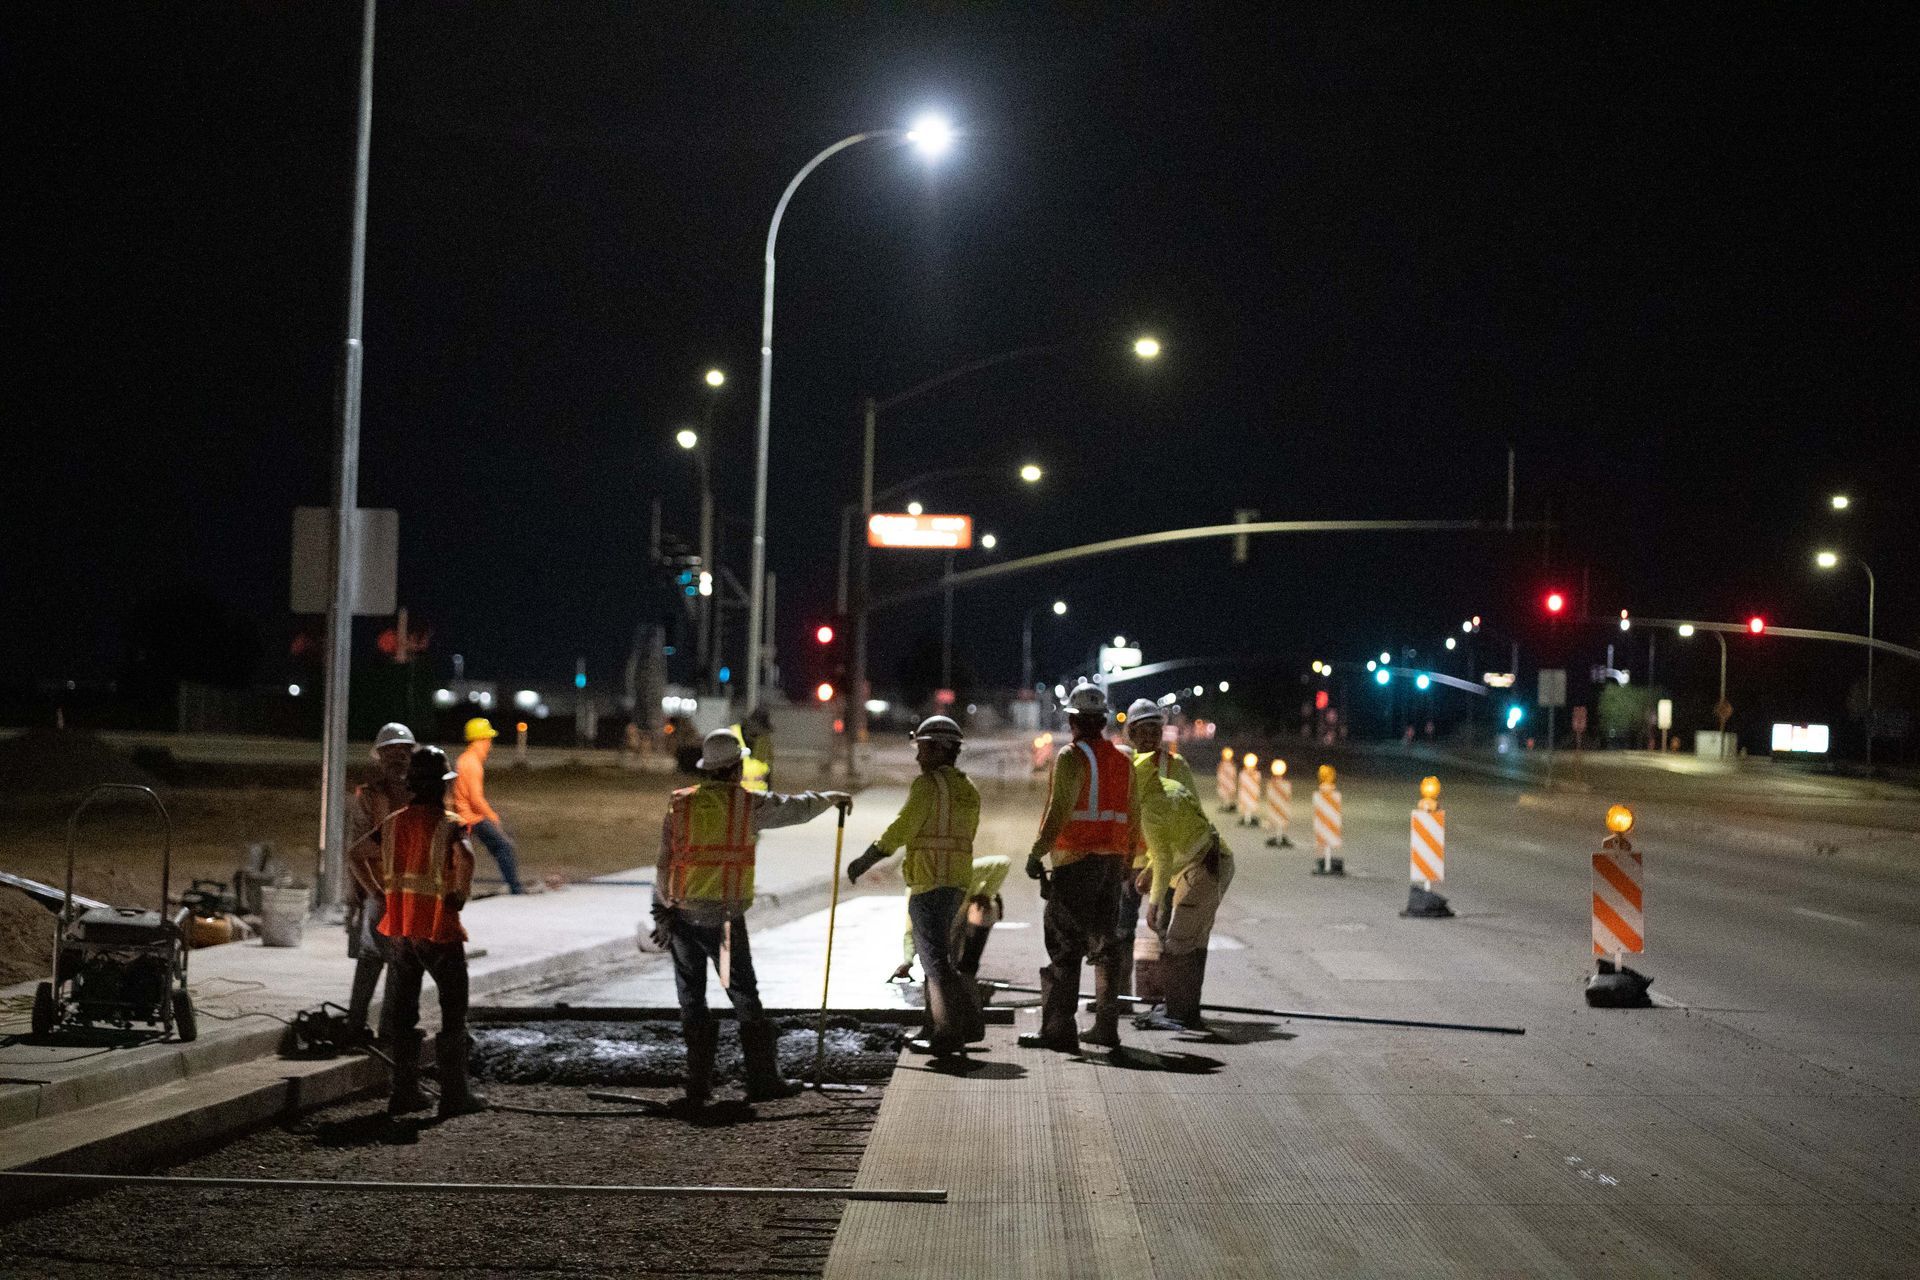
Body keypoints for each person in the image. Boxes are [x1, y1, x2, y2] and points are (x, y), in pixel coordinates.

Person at [650, 729, 852, 1106]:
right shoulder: (746, 805)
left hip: (681, 922)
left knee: (691, 1000)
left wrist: (661, 911)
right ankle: (761, 1079)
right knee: (743, 996)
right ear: (736, 768)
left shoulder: (680, 806)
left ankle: (697, 1086)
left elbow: (665, 861)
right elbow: (794, 808)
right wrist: (830, 799)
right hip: (722, 923)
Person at [348, 745, 484, 1118]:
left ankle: (404, 1093)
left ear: (410, 785)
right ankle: (455, 1095)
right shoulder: (448, 822)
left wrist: (377, 892)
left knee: (403, 1017)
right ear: (442, 786)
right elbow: (468, 858)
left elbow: (355, 853)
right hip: (439, 930)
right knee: (453, 1013)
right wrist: (460, 893)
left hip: (403, 931)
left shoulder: (393, 822)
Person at [847, 716, 983, 1056]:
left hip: (928, 883)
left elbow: (901, 828)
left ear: (940, 749)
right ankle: (935, 1024)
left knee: (935, 962)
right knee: (936, 957)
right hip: (955, 883)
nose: (917, 757)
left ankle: (951, 1032)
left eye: (922, 748)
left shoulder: (927, 786)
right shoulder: (968, 788)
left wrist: (866, 859)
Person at [1021, 682, 1139, 1052]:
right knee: (1106, 944)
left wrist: (1036, 851)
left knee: (1064, 946)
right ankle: (1106, 1027)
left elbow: (1059, 811)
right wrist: (1128, 859)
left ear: (1073, 720)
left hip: (1075, 863)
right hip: (1111, 863)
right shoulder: (1123, 760)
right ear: (1102, 721)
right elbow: (1134, 814)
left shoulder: (1071, 757)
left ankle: (1059, 1030)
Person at [1130, 733, 1235, 1033]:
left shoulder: (1150, 809)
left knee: (1177, 942)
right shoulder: (1171, 788)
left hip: (1202, 870)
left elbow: (1163, 858)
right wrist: (1151, 869)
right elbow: (1181, 837)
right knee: (1194, 940)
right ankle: (1183, 1007)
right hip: (1214, 861)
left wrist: (1152, 904)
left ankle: (1177, 1014)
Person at [1116, 699, 1197, 1003]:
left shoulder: (1176, 768)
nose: (1150, 736)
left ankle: (1162, 1001)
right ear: (1131, 734)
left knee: (1164, 930)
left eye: (1155, 729)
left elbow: (1190, 812)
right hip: (1126, 863)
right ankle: (1118, 997)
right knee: (1120, 931)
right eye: (1143, 730)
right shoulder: (1122, 767)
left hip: (1163, 865)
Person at [342, 721, 415, 1045]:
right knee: (392, 959)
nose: (398, 756)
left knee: (379, 958)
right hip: (379, 889)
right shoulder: (370, 797)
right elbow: (358, 846)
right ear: (380, 757)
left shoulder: (418, 795)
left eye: (404, 750)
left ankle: (357, 1026)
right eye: (392, 751)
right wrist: (366, 894)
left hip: (407, 889)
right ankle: (385, 1030)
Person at [452, 718, 524, 894]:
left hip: (465, 815)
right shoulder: (472, 763)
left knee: (493, 847)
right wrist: (492, 817)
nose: (490, 745)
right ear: (481, 740)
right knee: (504, 846)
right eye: (488, 740)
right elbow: (476, 799)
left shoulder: (465, 760)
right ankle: (515, 887)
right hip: (471, 817)